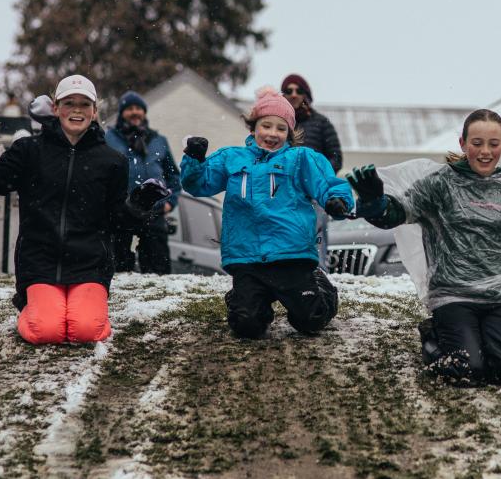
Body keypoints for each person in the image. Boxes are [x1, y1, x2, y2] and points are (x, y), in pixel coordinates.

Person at [348, 109, 501, 385]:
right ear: (462, 144)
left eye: (493, 144)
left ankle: (486, 341)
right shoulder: (439, 185)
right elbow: (398, 213)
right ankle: (434, 336)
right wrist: (375, 202)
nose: (485, 151)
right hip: (453, 297)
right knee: (466, 369)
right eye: (476, 143)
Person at [0, 75, 170, 344]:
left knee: (85, 332)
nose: (77, 110)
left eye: (84, 104)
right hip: (40, 263)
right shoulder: (28, 151)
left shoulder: (112, 160)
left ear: (94, 111)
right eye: (69, 103)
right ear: (55, 108)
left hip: (90, 265)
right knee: (45, 331)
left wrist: (139, 205)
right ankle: (32, 306)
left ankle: (82, 308)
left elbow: (117, 221)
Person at [180, 86, 354, 339]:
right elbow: (198, 184)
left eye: (281, 128)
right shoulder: (231, 158)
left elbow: (327, 183)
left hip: (290, 257)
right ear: (253, 128)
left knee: (311, 320)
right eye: (266, 126)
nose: (273, 134)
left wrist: (337, 200)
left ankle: (319, 285)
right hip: (247, 259)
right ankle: (244, 299)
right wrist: (194, 159)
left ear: (289, 133)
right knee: (246, 326)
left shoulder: (301, 159)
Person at [105, 91, 182, 275]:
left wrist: (169, 204)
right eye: (129, 108)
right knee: (118, 271)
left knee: (159, 272)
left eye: (139, 108)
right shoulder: (109, 139)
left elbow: (174, 177)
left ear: (144, 113)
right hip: (119, 215)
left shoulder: (158, 141)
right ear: (122, 113)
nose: (135, 112)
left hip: (154, 214)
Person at [281, 74, 343, 271]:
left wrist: (315, 175)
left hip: (315, 194)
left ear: (306, 95)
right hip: (283, 192)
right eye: (288, 90)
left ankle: (319, 275)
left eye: (298, 90)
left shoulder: (321, 123)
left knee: (315, 236)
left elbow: (336, 158)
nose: (293, 94)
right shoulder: (278, 124)